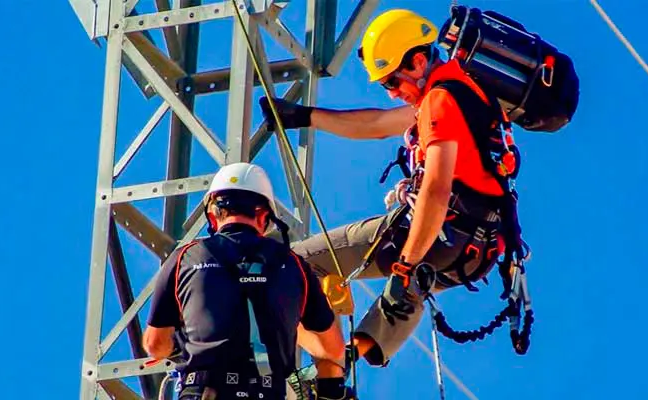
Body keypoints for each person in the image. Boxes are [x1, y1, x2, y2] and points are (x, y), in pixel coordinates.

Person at [258, 9, 526, 368]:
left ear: (417, 61)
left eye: (391, 82)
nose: (393, 94)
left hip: (445, 232)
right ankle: (352, 353)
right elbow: (377, 123)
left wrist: (406, 264)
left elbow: (435, 189)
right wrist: (304, 117)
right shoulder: (464, 92)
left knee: (295, 264)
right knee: (413, 281)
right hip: (477, 250)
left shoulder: (440, 101)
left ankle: (326, 362)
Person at [143, 162, 352, 400]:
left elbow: (155, 344)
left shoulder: (185, 258)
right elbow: (332, 349)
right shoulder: (294, 265)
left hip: (204, 391)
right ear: (264, 216)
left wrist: (185, 343)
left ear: (212, 214)